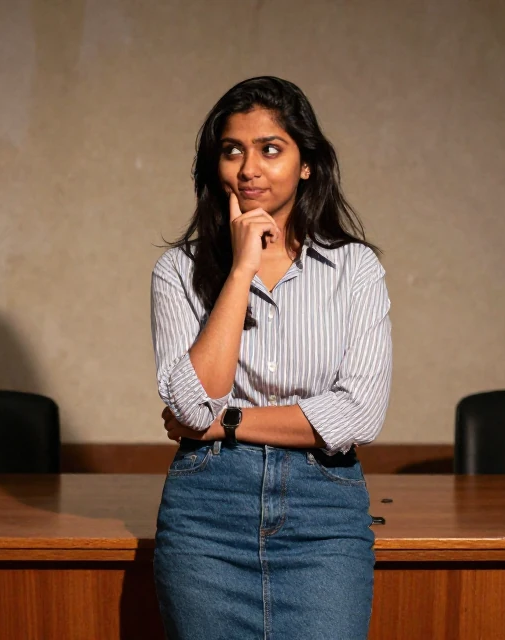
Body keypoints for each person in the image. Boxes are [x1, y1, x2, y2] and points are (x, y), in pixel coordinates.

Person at [150, 76, 393, 640]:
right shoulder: (179, 272)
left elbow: (358, 414)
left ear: (306, 164)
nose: (248, 167)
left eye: (270, 149)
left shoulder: (355, 269)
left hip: (323, 514)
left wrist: (226, 421)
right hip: (206, 513)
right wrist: (239, 269)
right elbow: (189, 405)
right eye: (232, 150)